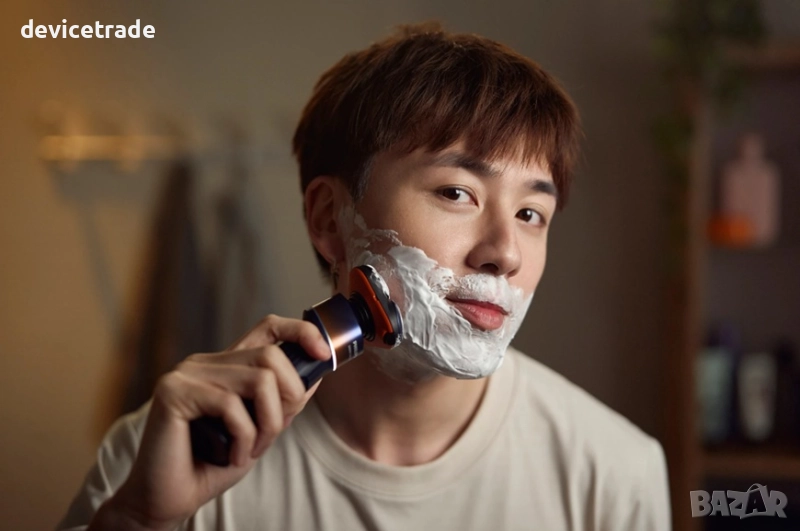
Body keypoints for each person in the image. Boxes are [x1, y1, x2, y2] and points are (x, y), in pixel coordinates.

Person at [58, 22, 671, 531]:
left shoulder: (614, 475)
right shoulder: (161, 458)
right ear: (330, 217)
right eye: (457, 193)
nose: (505, 253)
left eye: (531, 213)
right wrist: (138, 520)